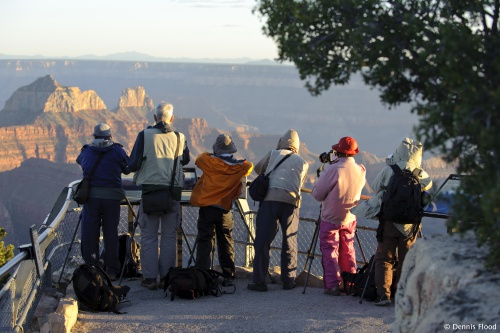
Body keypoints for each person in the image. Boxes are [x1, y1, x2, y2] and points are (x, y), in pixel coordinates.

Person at [351, 138, 432, 306]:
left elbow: (375, 187)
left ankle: (383, 295)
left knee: (384, 259)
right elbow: (429, 186)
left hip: (389, 222)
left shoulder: (391, 169)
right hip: (410, 226)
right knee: (407, 261)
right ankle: (402, 295)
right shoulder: (420, 173)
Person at [128, 103, 190, 290]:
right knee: (169, 236)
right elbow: (185, 159)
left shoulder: (144, 135)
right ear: (171, 118)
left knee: (148, 236)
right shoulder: (180, 137)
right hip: (172, 193)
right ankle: (166, 278)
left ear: (155, 118)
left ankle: (149, 278)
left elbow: (134, 163)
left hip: (151, 193)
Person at [247, 129, 309, 292]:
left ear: (282, 142)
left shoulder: (273, 153)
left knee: (262, 240)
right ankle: (288, 280)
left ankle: (259, 281)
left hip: (269, 200)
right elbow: (299, 183)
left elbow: (258, 170)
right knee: (289, 239)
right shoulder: (303, 162)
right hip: (290, 202)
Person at [190, 134, 254, 285]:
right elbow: (249, 166)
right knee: (226, 241)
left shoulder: (208, 161)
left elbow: (199, 159)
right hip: (225, 209)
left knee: (205, 240)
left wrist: (213, 154)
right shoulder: (240, 167)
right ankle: (228, 275)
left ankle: (202, 274)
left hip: (207, 207)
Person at [311, 137, 366, 296]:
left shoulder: (333, 169)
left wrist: (322, 176)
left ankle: (333, 285)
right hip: (350, 217)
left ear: (338, 152)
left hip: (330, 218)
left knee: (330, 251)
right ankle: (350, 284)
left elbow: (318, 194)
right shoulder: (361, 170)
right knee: (348, 250)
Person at [76, 123, 130, 281]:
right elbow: (127, 169)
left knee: (90, 231)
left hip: (92, 197)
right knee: (110, 233)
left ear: (94, 136)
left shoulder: (86, 151)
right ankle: (111, 269)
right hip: (112, 198)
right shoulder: (118, 150)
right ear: (110, 136)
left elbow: (80, 162)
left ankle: (92, 266)